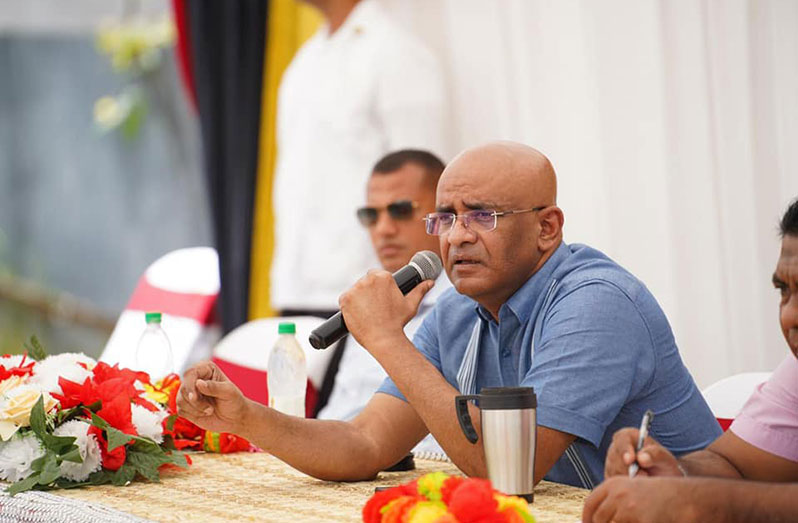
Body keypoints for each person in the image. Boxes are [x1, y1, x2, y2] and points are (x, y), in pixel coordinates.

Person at [178, 142, 719, 487]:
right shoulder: (459, 311)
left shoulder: (595, 303)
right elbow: (366, 443)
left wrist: (389, 339)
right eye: (446, 218)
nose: (458, 235)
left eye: (483, 216)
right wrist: (245, 417)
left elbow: (510, 469)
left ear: (548, 228)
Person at [582, 198, 798, 523]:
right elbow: (735, 466)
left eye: (486, 215)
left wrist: (704, 503)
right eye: (784, 291)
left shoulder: (594, 299)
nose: (789, 316)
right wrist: (674, 474)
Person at [271, 0, 447, 318]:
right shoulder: (306, 60)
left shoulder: (395, 53)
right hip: (298, 287)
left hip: (368, 292)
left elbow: (426, 184)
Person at [318, 149, 450, 457]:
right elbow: (339, 411)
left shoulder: (469, 304)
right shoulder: (364, 295)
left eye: (401, 210)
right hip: (333, 455)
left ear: (443, 216)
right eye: (370, 215)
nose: (383, 229)